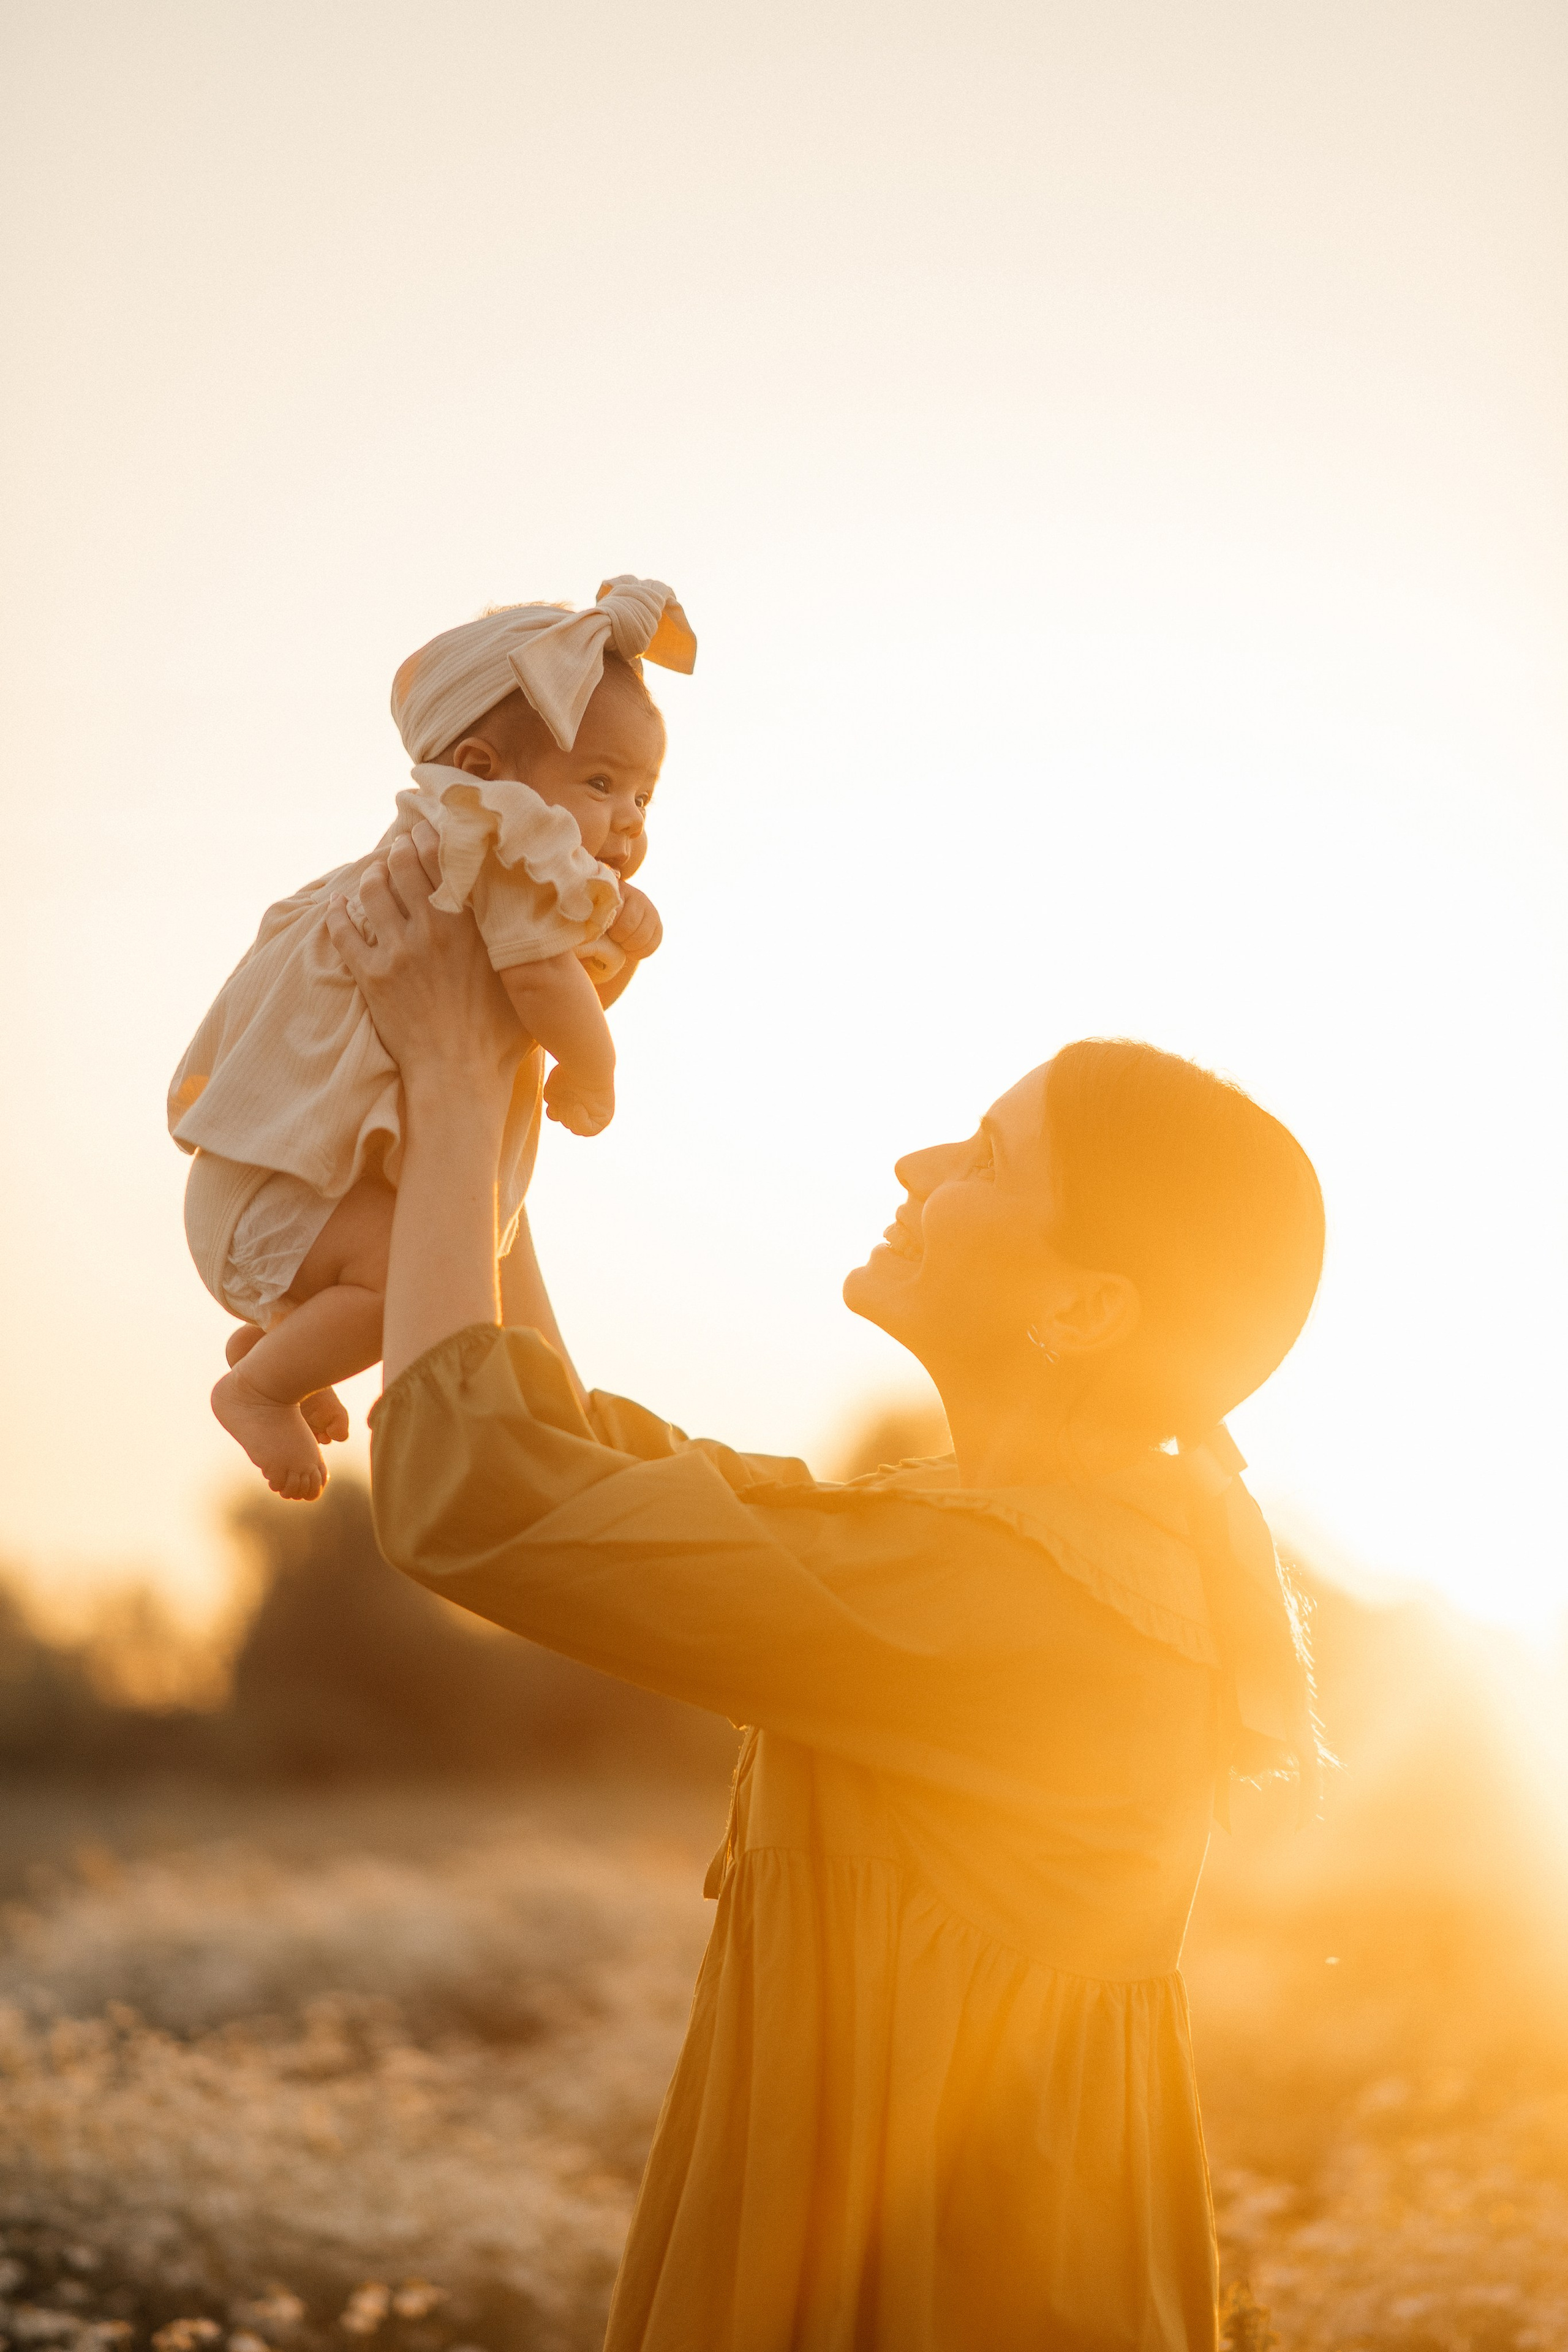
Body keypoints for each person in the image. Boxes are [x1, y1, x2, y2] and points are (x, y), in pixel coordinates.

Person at [336, 828, 1325, 2352]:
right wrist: (497, 1097)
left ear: (1080, 1307)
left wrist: (461, 1091)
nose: (916, 1165)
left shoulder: (1025, 1595)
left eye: (986, 1157)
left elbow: (476, 1500)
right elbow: (566, 1459)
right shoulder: (986, 1536)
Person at [167, 575, 695, 1502]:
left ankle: (287, 1338)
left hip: (279, 1186)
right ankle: (255, 1385)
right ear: (485, 770)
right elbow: (537, 986)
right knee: (401, 1274)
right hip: (280, 1203)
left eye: (645, 798)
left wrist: (616, 946)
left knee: (404, 1256)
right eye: (604, 783)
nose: (626, 823)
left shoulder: (445, 855)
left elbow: (530, 989)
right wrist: (595, 1068)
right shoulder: (500, 841)